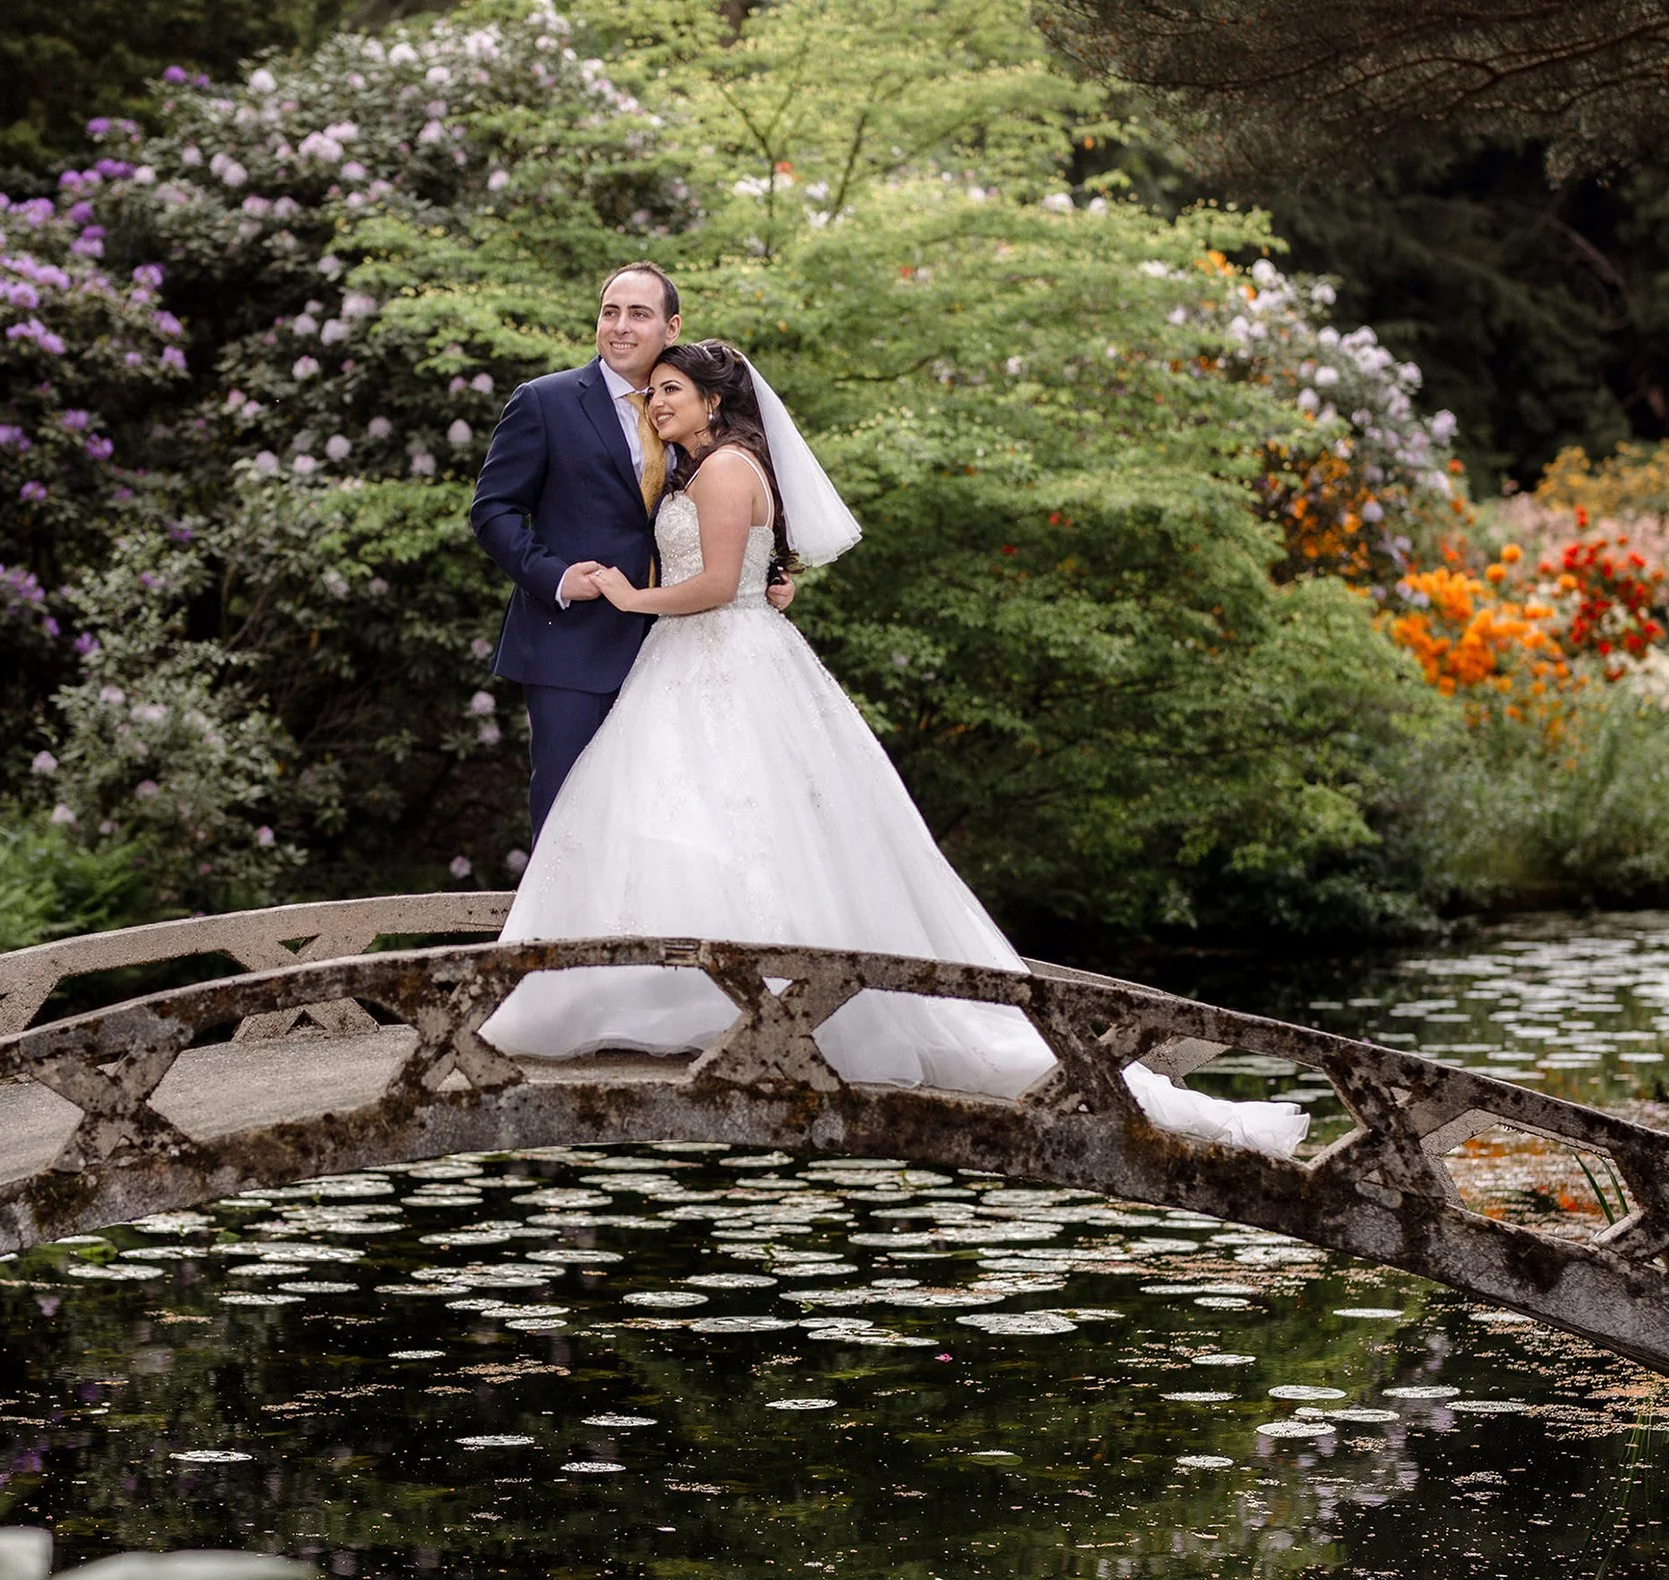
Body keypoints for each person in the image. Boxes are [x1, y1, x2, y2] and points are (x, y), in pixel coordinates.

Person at [477, 340, 1309, 1158]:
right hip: (694, 662)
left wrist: (630, 595)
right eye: (653, 393)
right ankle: (692, 1003)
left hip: (721, 657)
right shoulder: (703, 467)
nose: (657, 404)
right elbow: (744, 570)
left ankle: (758, 1007)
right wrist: (758, 582)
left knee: (743, 822)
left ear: (714, 401)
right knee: (687, 822)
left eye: (670, 392)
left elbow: (709, 583)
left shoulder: (727, 467)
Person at [470, 262, 792, 835]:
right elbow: (492, 510)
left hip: (678, 652)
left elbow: (716, 519)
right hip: (569, 645)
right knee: (568, 812)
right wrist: (558, 578)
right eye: (609, 312)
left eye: (638, 314)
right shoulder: (544, 402)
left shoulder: (689, 414)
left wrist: (761, 574)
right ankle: (553, 927)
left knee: (667, 819)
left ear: (671, 327)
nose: (620, 326)